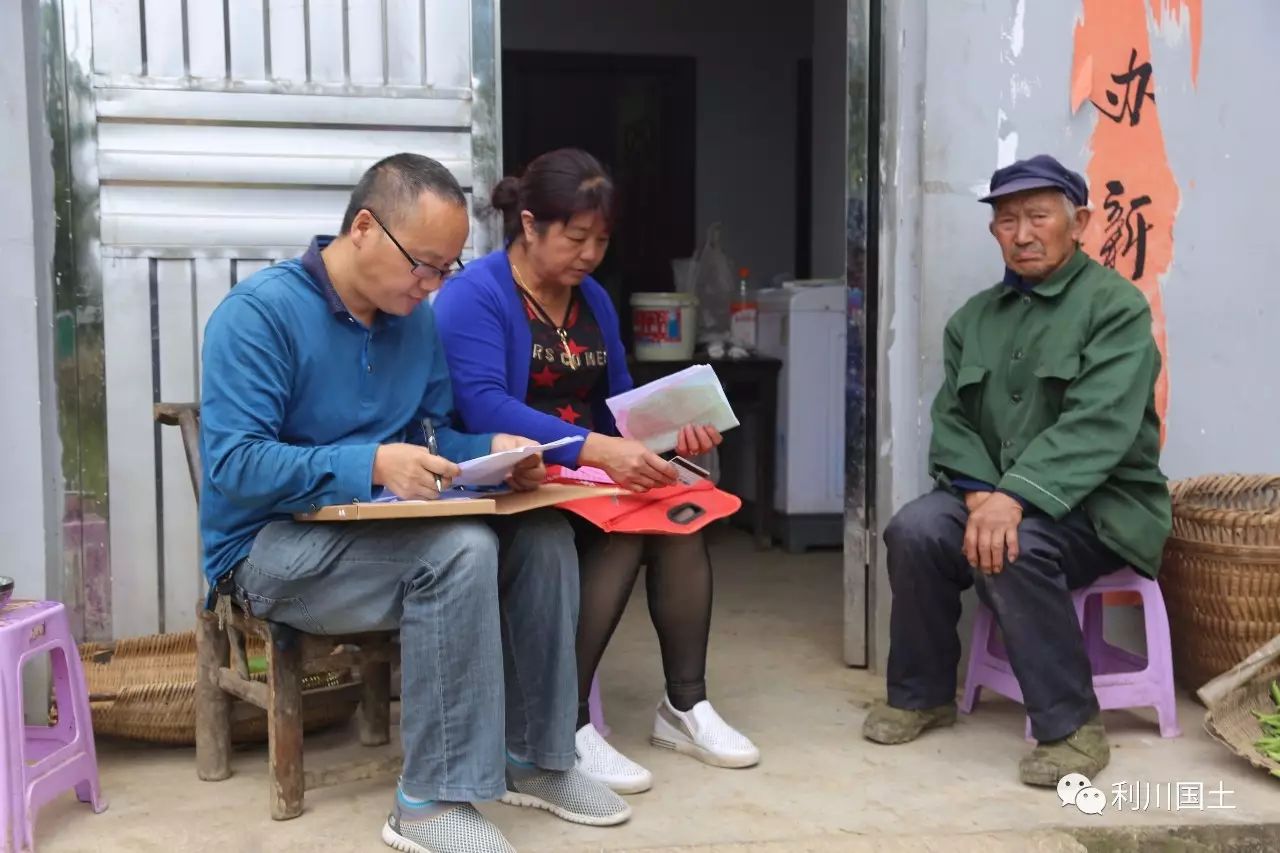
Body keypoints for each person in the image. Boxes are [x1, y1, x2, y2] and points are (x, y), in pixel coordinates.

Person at [200, 153, 630, 853]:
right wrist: (369, 461)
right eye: (423, 265)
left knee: (546, 532)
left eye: (447, 269)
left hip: (384, 530)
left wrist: (496, 448)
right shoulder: (258, 317)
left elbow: (434, 435)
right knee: (459, 550)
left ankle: (540, 756)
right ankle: (428, 800)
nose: (432, 286)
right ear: (365, 228)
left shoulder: (412, 321)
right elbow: (234, 465)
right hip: (268, 549)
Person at [434, 148, 760, 795]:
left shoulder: (595, 302)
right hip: (512, 478)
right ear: (530, 225)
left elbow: (618, 401)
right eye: (576, 237)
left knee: (678, 511)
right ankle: (566, 720)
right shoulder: (478, 295)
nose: (589, 254)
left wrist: (665, 437)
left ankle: (685, 705)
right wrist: (593, 450)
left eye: (601, 241)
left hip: (588, 474)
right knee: (626, 529)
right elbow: (482, 401)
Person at [860, 154, 1172, 786]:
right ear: (994, 231)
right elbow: (954, 422)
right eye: (1007, 221)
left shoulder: (1116, 308)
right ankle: (922, 694)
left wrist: (1015, 500)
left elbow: (1099, 426)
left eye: (1038, 216)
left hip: (1098, 508)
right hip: (993, 499)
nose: (1022, 234)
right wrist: (982, 497)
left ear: (1078, 222)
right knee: (916, 530)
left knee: (1016, 547)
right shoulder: (974, 319)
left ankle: (1072, 730)